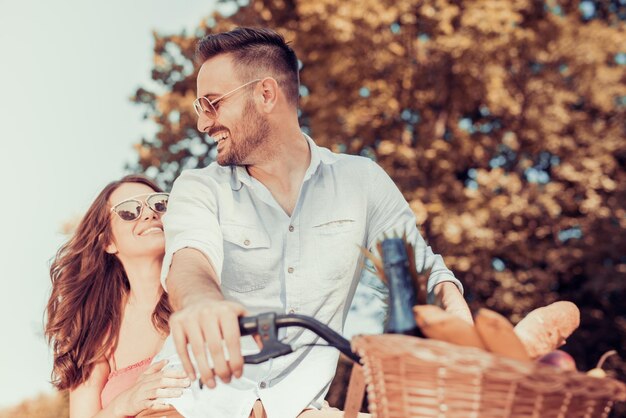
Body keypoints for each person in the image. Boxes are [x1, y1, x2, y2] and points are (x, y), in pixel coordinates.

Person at [160, 27, 473, 418]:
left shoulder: (361, 181)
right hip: (191, 402)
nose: (204, 124)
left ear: (266, 94)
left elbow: (419, 270)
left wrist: (460, 319)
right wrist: (201, 303)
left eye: (212, 103)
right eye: (200, 108)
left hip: (297, 408)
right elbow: (190, 260)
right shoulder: (199, 186)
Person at [45, 175, 190, 417]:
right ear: (108, 241)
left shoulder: (206, 294)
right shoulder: (97, 331)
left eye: (159, 204)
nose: (150, 214)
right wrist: (126, 402)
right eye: (129, 210)